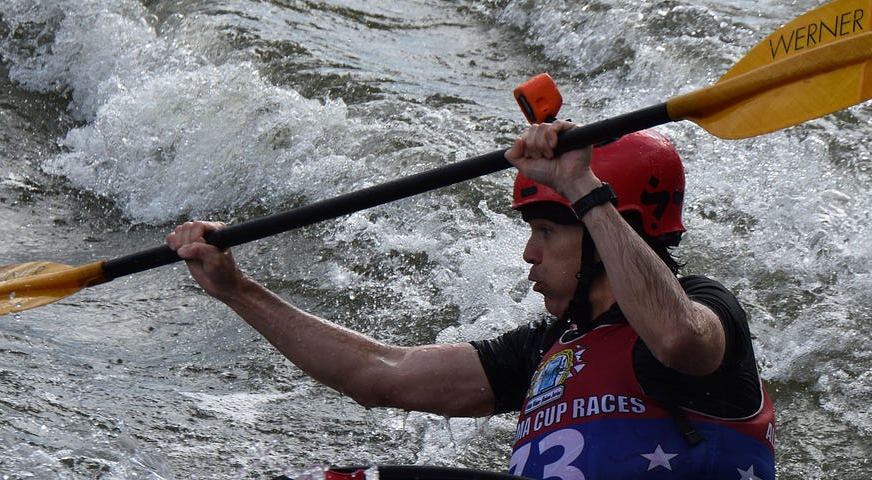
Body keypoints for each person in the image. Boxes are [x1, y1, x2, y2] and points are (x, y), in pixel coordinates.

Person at [167, 121, 776, 479]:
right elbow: (381, 374)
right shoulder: (546, 349)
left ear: (599, 229)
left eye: (545, 233)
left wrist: (583, 187)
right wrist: (236, 290)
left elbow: (678, 339)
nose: (528, 256)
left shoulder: (706, 307)